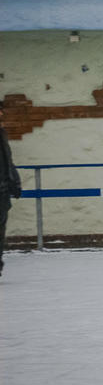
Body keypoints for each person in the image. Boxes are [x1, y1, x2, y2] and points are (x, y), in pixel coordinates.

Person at [0, 100, 23, 278]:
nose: (1, 114)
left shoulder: (2, 134)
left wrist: (15, 182)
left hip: (2, 191)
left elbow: (8, 161)